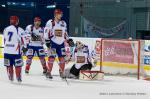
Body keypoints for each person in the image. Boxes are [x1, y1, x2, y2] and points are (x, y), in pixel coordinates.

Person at [44, 9, 69, 79]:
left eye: (61, 14)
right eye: (59, 14)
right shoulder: (50, 22)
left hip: (61, 44)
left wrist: (68, 39)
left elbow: (65, 33)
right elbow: (46, 32)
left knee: (62, 59)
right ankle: (48, 72)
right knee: (51, 58)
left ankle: (61, 72)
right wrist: (47, 41)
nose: (60, 15)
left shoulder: (63, 23)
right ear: (55, 15)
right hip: (53, 43)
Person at [3, 16, 27, 82]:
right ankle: (18, 78)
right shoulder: (20, 29)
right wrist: (25, 47)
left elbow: (4, 40)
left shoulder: (5, 29)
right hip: (16, 52)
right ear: (17, 21)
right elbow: (24, 39)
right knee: (18, 66)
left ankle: (10, 77)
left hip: (6, 51)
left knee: (9, 65)